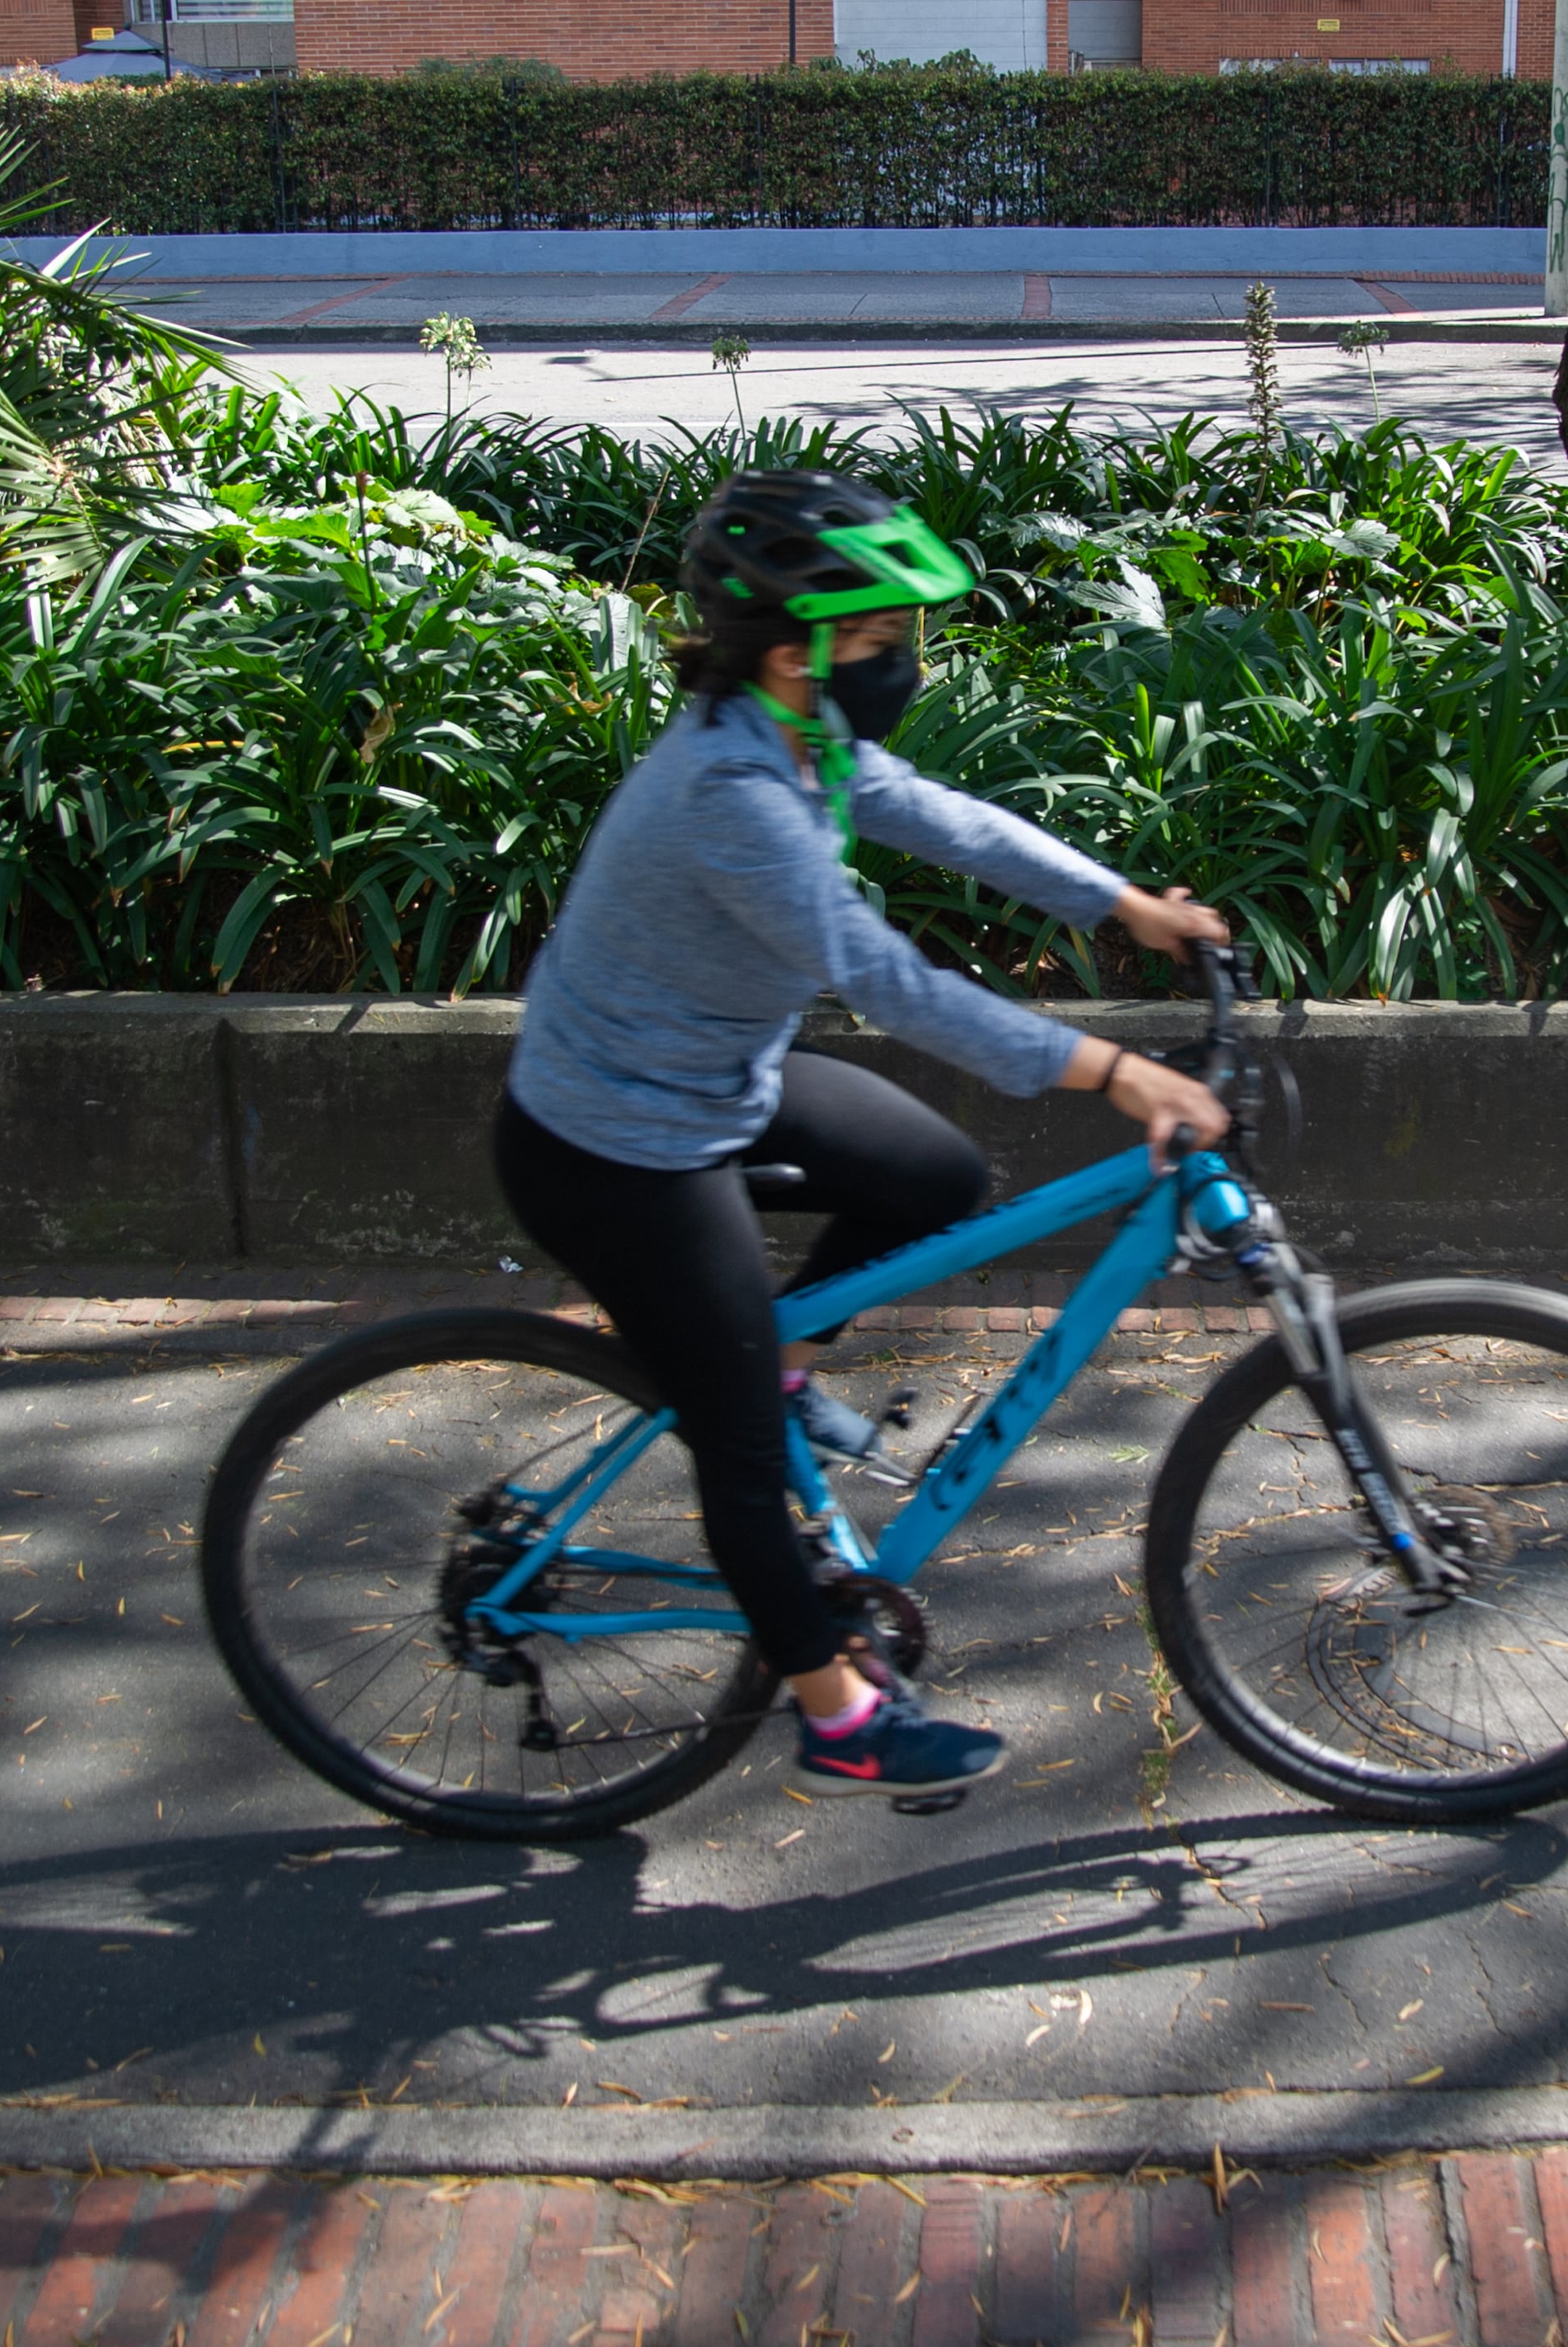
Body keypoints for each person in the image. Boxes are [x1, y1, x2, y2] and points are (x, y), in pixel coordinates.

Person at [494, 471, 1236, 1804]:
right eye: (887, 642)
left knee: (937, 1176)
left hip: (716, 1078)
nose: (906, 664)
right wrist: (1113, 1070)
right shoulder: (731, 795)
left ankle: (767, 1364)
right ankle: (837, 1713)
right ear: (796, 654)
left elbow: (946, 818)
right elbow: (886, 979)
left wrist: (1125, 903)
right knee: (732, 1450)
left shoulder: (801, 740)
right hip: (613, 1143)